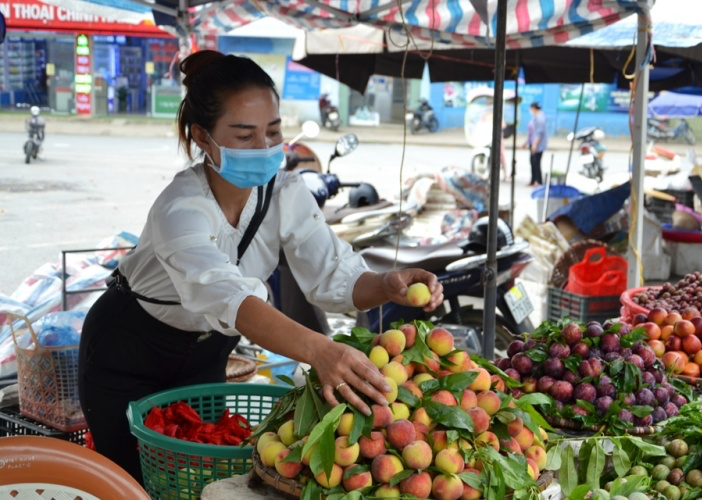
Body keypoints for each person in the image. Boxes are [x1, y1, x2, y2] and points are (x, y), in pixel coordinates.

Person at [78, 50, 444, 484]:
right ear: (202, 137)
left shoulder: (285, 193)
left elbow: (332, 274)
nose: (265, 148)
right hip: (127, 354)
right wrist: (319, 351)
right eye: (245, 135)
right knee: (136, 483)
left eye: (273, 132)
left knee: (199, 481)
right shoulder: (180, 209)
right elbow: (229, 298)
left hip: (203, 358)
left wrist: (386, 284)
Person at [526, 102, 547, 186]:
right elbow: (532, 132)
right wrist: (526, 142)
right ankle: (533, 180)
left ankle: (539, 181)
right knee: (532, 162)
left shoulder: (540, 118)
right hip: (533, 143)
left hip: (538, 145)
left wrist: (535, 144)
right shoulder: (535, 118)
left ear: (534, 108)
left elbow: (539, 133)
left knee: (536, 163)